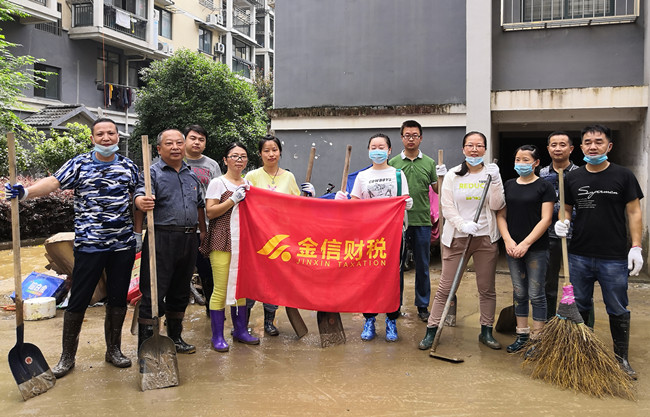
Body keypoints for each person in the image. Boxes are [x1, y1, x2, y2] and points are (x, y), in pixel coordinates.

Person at [5, 118, 140, 378]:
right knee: (78, 299)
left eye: (110, 133)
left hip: (121, 246)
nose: (106, 138)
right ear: (92, 139)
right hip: (89, 245)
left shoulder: (129, 166)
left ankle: (114, 350)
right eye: (100, 134)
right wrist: (26, 193)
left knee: (117, 298)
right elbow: (53, 182)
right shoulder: (79, 163)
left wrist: (137, 232)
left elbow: (139, 196)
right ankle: (67, 357)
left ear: (118, 136)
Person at [554, 124, 643, 379]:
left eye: (599, 142)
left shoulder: (623, 175)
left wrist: (636, 246)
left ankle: (621, 358)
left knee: (617, 306)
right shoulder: (573, 178)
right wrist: (562, 221)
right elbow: (566, 208)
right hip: (579, 254)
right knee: (580, 305)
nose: (593, 146)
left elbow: (634, 212)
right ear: (581, 147)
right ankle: (581, 354)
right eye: (588, 142)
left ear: (609, 146)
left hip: (613, 256)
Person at [418, 131, 504, 351]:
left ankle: (486, 331)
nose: (474, 149)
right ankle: (432, 329)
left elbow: (497, 205)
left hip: (485, 237)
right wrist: (462, 224)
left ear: (485, 149)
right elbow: (446, 206)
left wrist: (496, 181)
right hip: (457, 237)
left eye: (479, 145)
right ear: (463, 148)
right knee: (445, 288)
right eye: (470, 145)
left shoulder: (491, 174)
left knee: (486, 288)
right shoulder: (453, 175)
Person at [134, 129, 206, 354]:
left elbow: (200, 206)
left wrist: (203, 232)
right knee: (153, 292)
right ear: (159, 149)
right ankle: (147, 346)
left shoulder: (191, 175)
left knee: (180, 291)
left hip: (189, 238)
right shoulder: (151, 174)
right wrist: (141, 203)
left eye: (179, 143)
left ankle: (175, 338)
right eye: (169, 143)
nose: (175, 147)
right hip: (161, 237)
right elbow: (139, 198)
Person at [336, 133, 413, 342]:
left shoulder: (398, 174)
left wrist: (407, 203)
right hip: (369, 235)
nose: (377, 151)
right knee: (368, 276)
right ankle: (369, 319)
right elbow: (355, 204)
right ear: (369, 150)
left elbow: (404, 199)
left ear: (389, 150)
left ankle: (391, 319)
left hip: (394, 234)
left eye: (381, 147)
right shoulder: (363, 176)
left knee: (394, 276)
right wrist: (344, 200)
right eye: (373, 147)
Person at [201, 142, 259, 351]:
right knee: (220, 288)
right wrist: (233, 200)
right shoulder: (218, 183)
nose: (239, 160)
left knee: (240, 287)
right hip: (222, 239)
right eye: (234, 156)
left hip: (243, 240)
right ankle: (217, 336)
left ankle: (240, 330)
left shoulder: (248, 184)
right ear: (225, 160)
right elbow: (210, 212)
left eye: (243, 156)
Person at [497, 145, 555, 353]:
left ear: (536, 163)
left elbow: (546, 219)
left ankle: (537, 340)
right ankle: (522, 335)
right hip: (512, 248)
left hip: (536, 248)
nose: (520, 163)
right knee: (519, 292)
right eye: (517, 159)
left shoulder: (544, 187)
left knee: (536, 293)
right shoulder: (509, 185)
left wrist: (526, 243)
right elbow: (501, 215)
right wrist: (508, 240)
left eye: (525, 160)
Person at [244, 134, 302, 336]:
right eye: (266, 150)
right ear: (260, 154)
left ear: (280, 152)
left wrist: (308, 196)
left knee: (273, 279)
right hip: (256, 236)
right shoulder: (252, 176)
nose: (271, 154)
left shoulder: (289, 177)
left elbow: (297, 205)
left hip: (280, 237)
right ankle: (243, 323)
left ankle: (269, 321)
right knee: (252, 277)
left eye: (274, 150)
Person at [388, 120, 438, 322]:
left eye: (414, 135)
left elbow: (437, 189)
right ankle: (395, 305)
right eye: (407, 135)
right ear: (402, 138)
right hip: (398, 222)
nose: (411, 139)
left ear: (421, 138)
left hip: (422, 220)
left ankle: (423, 306)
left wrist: (442, 177)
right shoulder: (392, 163)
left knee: (423, 265)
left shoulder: (429, 163)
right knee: (396, 266)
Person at [539, 131, 580, 321]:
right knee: (548, 282)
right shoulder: (541, 174)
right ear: (548, 149)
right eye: (553, 145)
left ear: (571, 149)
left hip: (576, 236)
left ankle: (580, 324)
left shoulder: (580, 173)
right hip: (548, 235)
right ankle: (549, 322)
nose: (558, 148)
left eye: (562, 145)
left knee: (578, 283)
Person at [182, 124, 221, 316]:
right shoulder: (174, 160)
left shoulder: (212, 165)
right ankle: (174, 314)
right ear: (184, 140)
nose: (196, 142)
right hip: (179, 228)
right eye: (193, 138)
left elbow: (220, 193)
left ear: (205, 144)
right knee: (179, 272)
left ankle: (211, 310)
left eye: (201, 139)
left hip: (205, 228)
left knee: (207, 271)